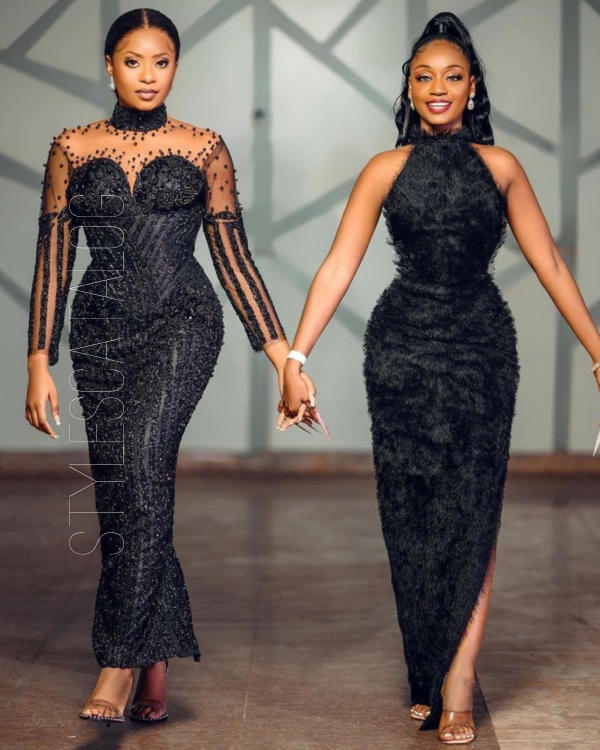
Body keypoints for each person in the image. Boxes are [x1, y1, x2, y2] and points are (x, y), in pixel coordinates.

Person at [278, 11, 600, 745]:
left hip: (482, 351)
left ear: (472, 86)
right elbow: (338, 266)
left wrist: (597, 350)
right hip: (400, 354)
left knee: (474, 510)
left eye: (452, 76)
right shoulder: (384, 169)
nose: (438, 88)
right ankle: (426, 669)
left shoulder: (503, 167)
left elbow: (550, 263)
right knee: (412, 515)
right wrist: (295, 359)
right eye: (424, 77)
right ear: (410, 89)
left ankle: (458, 680)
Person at [24, 7, 317, 725]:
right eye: (133, 61)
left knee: (143, 463)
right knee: (123, 488)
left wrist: (285, 359)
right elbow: (53, 260)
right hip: (99, 334)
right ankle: (156, 661)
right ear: (109, 66)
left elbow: (234, 261)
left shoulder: (204, 148)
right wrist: (39, 359)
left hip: (183, 324)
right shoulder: (71, 148)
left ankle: (119, 661)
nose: (148, 75)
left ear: (176, 67)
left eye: (162, 62)